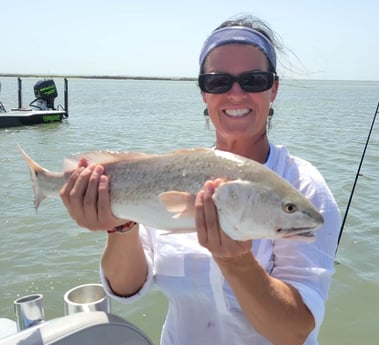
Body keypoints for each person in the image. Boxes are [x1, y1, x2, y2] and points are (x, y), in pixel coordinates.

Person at [60, 15, 341, 345]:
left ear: (273, 89)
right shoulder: (173, 173)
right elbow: (126, 287)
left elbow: (294, 331)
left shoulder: (302, 185)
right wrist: (120, 226)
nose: (236, 93)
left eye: (253, 80)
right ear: (204, 93)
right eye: (218, 82)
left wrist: (236, 261)